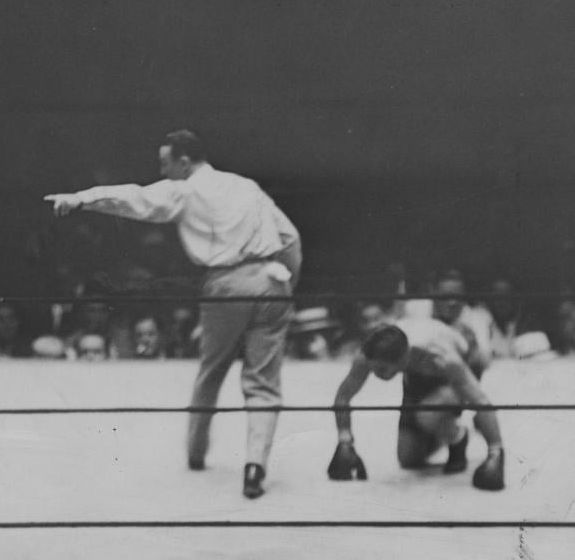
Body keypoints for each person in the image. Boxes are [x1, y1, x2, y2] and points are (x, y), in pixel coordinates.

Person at [46, 129, 301, 499]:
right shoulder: (247, 187)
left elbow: (134, 197)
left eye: (166, 165)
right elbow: (290, 238)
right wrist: (288, 283)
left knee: (212, 369)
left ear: (184, 162)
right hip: (274, 281)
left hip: (228, 282)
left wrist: (81, 199)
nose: (163, 173)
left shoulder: (187, 189)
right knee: (263, 383)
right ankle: (254, 466)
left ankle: (196, 454)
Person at [328, 320, 505, 491]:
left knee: (427, 415)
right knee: (408, 459)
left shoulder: (442, 357)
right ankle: (441, 430)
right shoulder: (368, 355)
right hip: (418, 371)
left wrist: (495, 451)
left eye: (382, 369)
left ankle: (457, 437)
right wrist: (345, 439)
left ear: (403, 360)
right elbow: (344, 395)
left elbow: (481, 401)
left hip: (466, 359)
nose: (376, 375)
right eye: (373, 369)